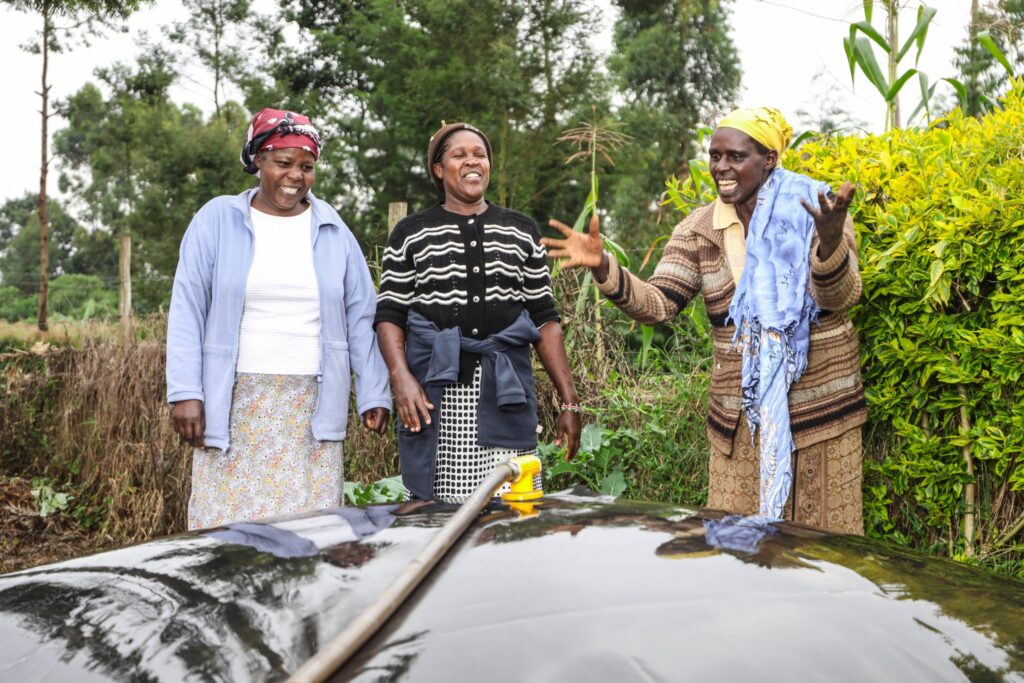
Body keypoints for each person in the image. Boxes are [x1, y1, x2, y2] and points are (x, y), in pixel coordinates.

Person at [543, 107, 866, 534]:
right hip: (740, 426)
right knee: (739, 557)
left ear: (769, 159)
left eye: (735, 157)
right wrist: (604, 267)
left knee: (824, 557)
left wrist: (828, 242)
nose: (721, 168)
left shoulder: (816, 211)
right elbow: (659, 303)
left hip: (823, 418)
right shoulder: (699, 229)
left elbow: (839, 298)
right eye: (715, 156)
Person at [166, 108, 391, 530]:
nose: (295, 176)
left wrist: (374, 392)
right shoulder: (218, 219)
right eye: (282, 163)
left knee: (307, 534)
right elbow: (187, 308)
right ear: (257, 161)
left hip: (310, 407)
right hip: (234, 403)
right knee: (227, 535)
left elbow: (361, 315)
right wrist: (184, 392)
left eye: (306, 167)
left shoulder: (332, 229)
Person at [374, 122, 581, 503]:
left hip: (506, 392)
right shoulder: (411, 233)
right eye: (459, 154)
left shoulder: (520, 230)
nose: (472, 162)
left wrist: (569, 401)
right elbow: (389, 315)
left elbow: (545, 320)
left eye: (480, 155)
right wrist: (401, 379)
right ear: (439, 169)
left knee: (511, 512)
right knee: (435, 516)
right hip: (434, 395)